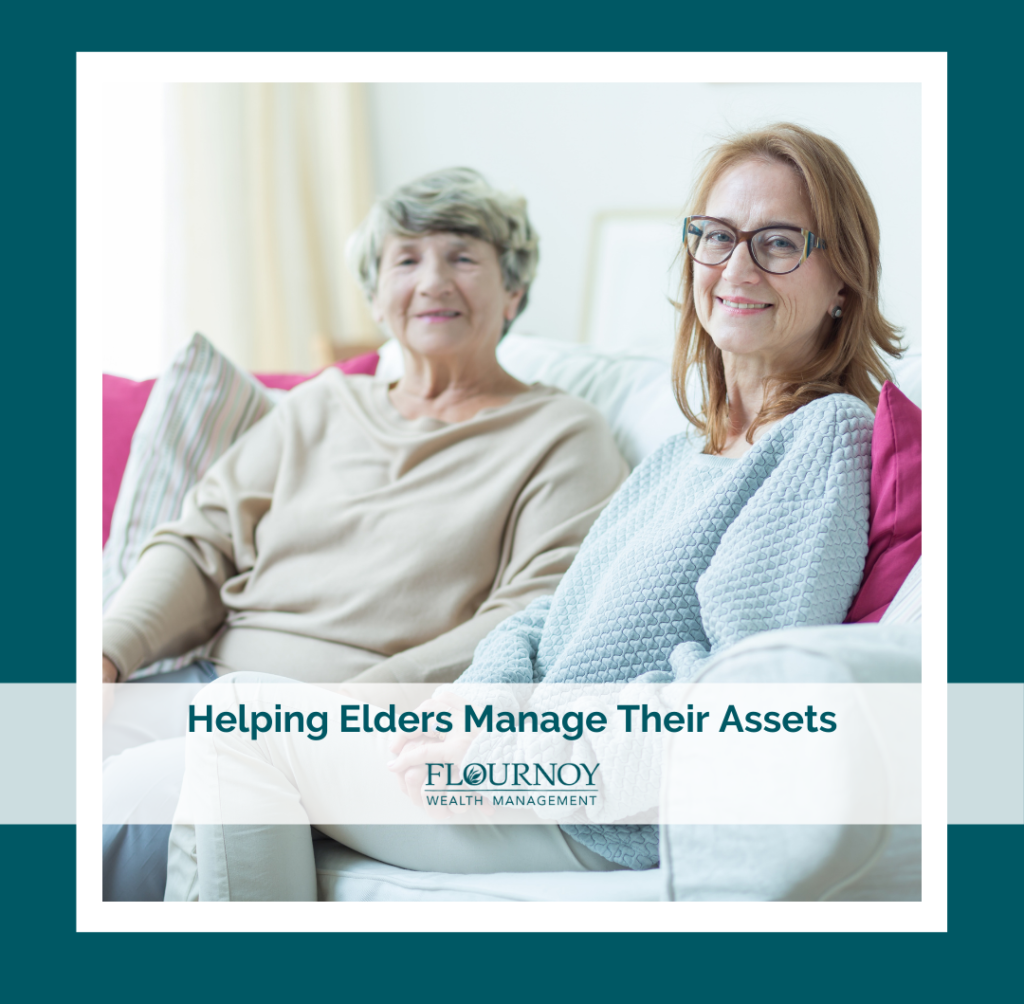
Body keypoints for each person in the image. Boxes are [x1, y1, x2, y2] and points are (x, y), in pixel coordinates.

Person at [164, 123, 906, 899]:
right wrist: (470, 717)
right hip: (511, 754)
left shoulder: (823, 436)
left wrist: (513, 757)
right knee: (242, 714)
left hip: (592, 809)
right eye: (716, 237)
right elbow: (540, 622)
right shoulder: (687, 451)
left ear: (843, 280)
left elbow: (728, 701)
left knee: (242, 723)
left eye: (779, 243)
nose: (736, 266)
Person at [101, 167, 629, 900]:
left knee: (109, 807)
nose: (433, 280)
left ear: (513, 292)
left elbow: (537, 608)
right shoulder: (319, 407)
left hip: (344, 727)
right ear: (376, 298)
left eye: (464, 257)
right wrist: (104, 654)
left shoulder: (561, 433)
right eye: (406, 259)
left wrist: (351, 706)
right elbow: (201, 543)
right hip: (208, 685)